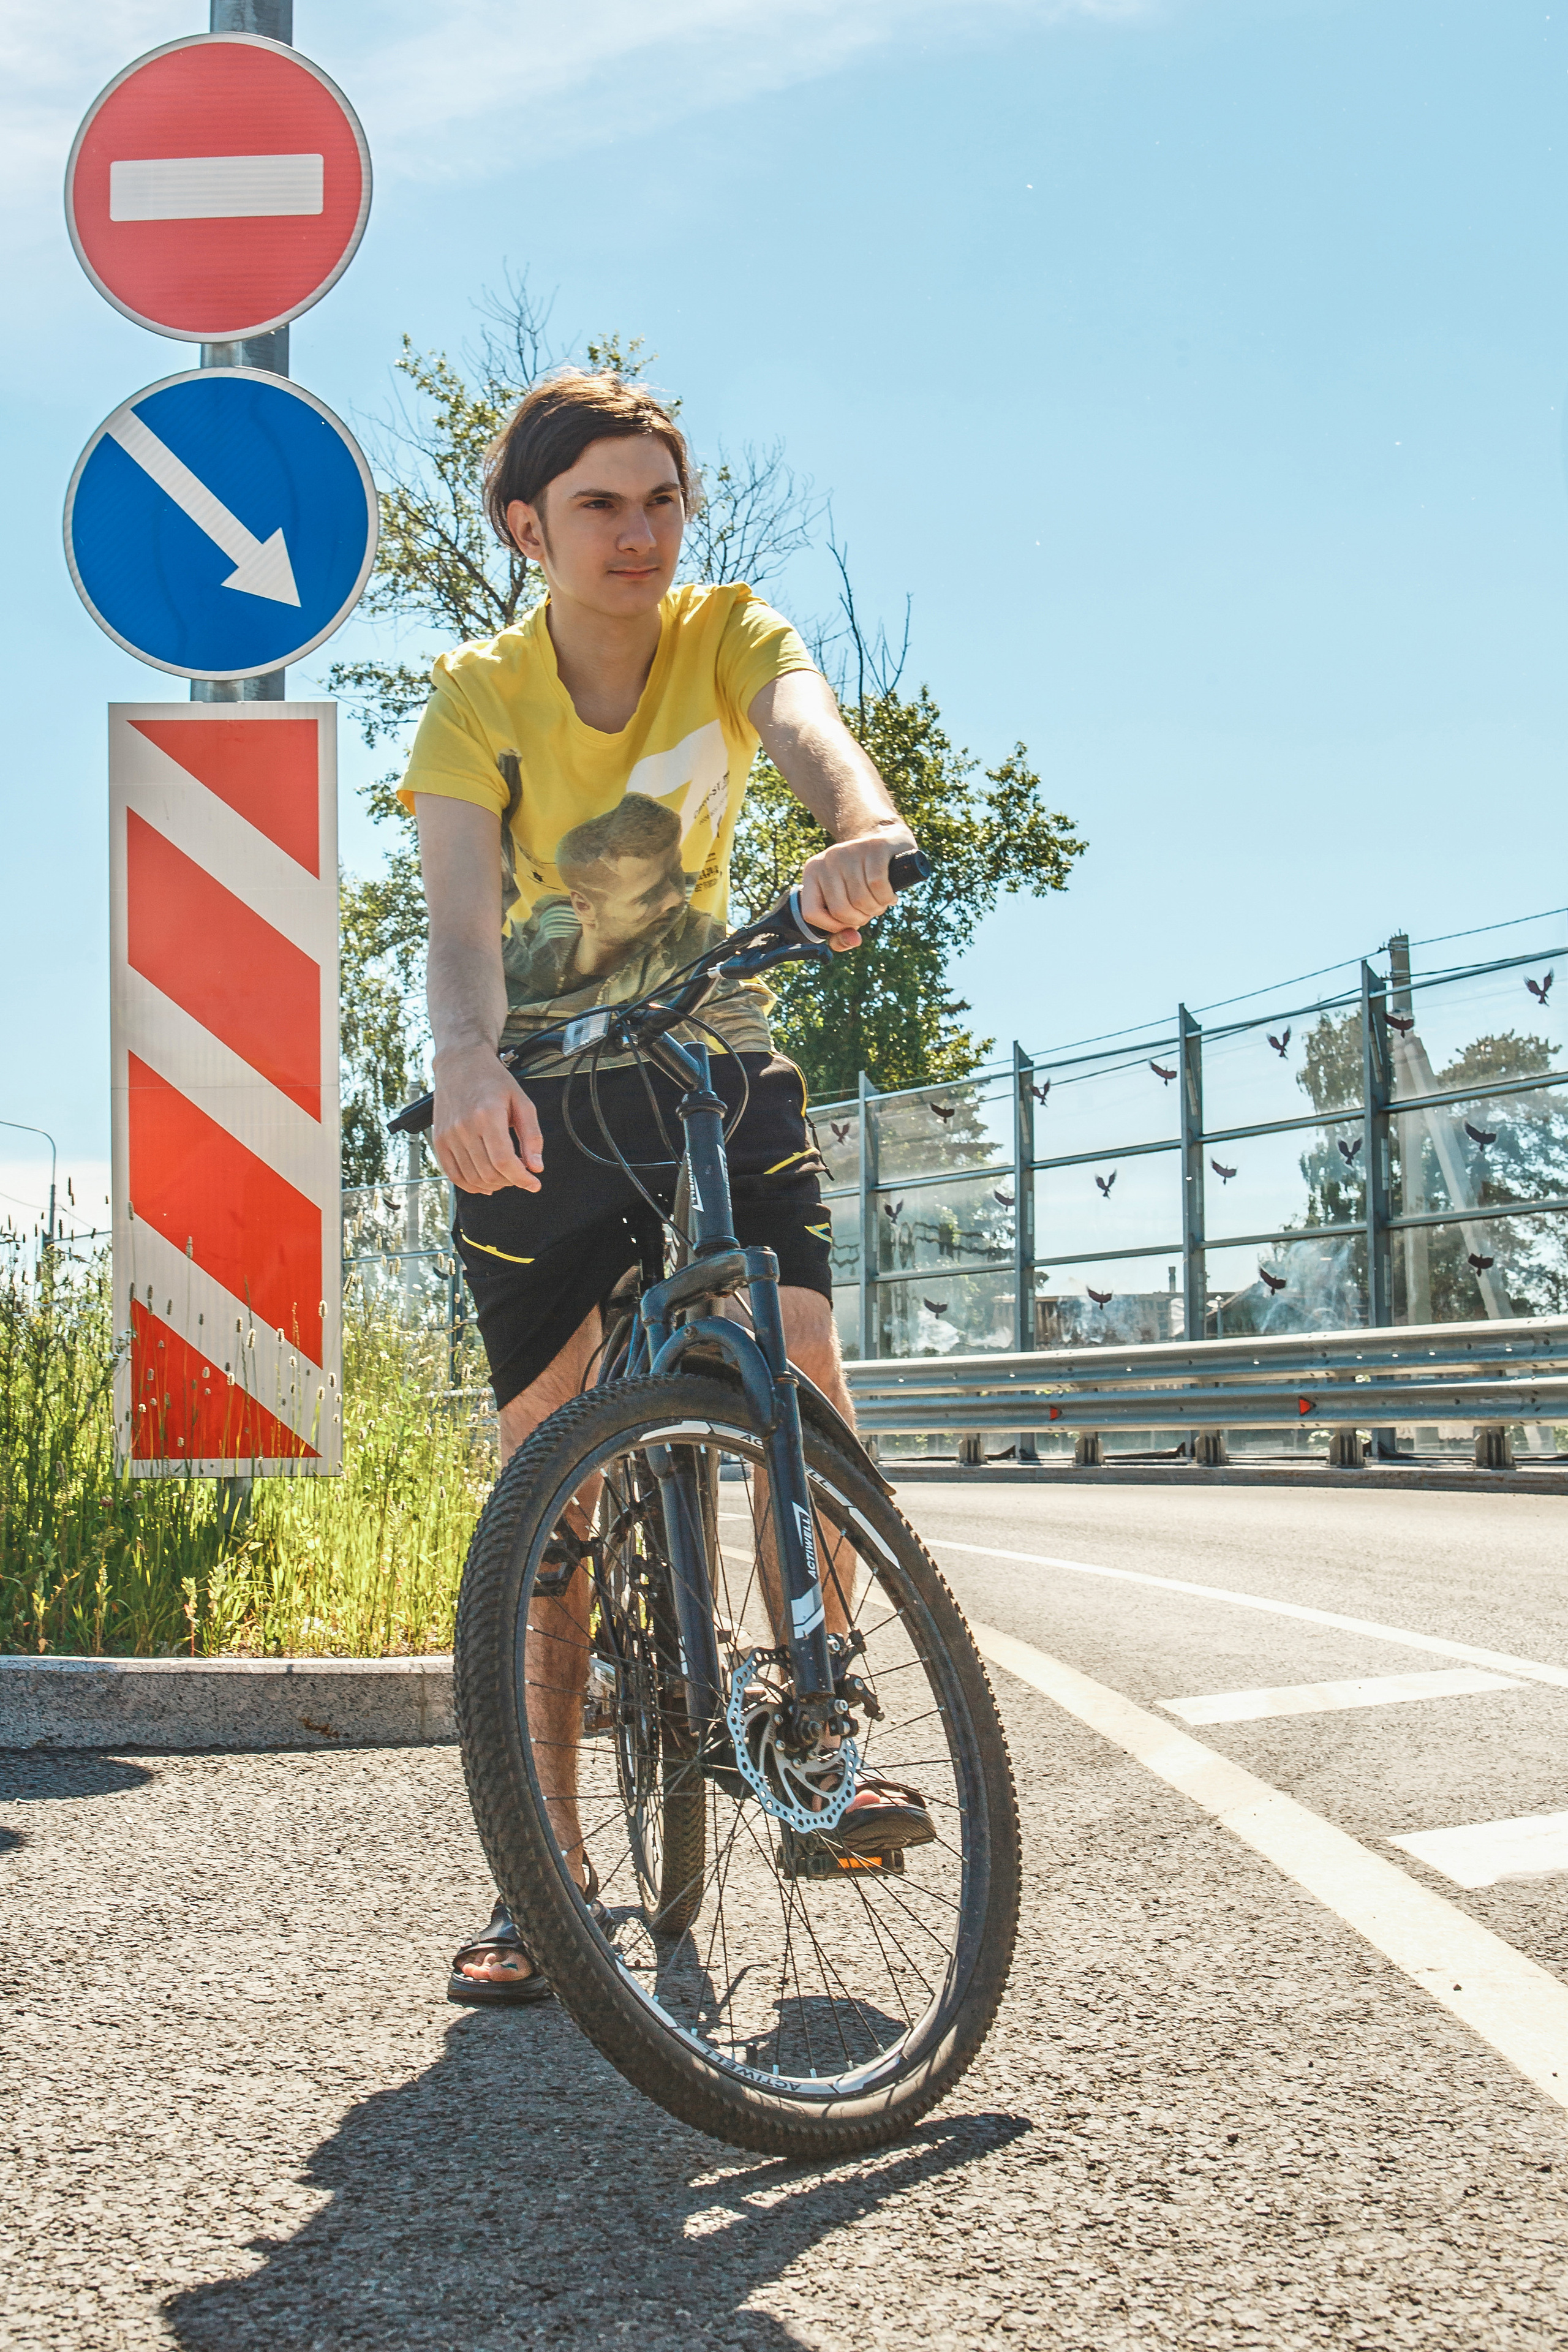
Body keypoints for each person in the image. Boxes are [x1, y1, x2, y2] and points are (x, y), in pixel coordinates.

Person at [399, 366, 927, 2003]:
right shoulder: (477, 697)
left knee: (809, 1386)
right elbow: (461, 933)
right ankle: (541, 1881)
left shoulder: (728, 636)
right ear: (527, 530)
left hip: (711, 1062)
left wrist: (862, 825)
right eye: (598, 507)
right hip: (537, 1100)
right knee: (546, 1486)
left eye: (660, 501)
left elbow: (814, 742)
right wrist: (471, 1068)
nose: (638, 535)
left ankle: (813, 1727)